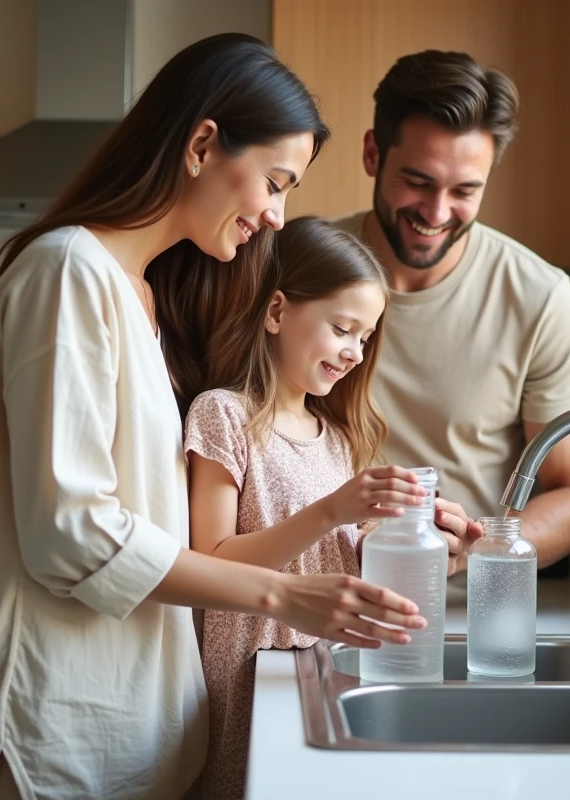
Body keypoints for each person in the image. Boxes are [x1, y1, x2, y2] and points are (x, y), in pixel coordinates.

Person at [0, 34, 426, 800]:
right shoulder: (69, 272)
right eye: (275, 181)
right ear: (201, 145)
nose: (275, 214)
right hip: (47, 728)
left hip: (123, 725)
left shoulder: (145, 295)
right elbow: (71, 530)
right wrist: (282, 595)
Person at [184, 216, 475, 799]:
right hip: (249, 675)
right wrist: (332, 511)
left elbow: (332, 562)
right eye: (343, 328)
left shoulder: (338, 436)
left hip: (328, 671)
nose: (354, 352)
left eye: (365, 337)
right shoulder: (224, 416)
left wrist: (426, 545)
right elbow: (209, 558)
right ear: (275, 312)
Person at [333, 50, 570, 572]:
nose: (436, 213)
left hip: (465, 616)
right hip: (314, 608)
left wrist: (473, 551)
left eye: (465, 191)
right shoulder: (293, 272)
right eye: (418, 181)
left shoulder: (541, 299)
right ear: (372, 154)